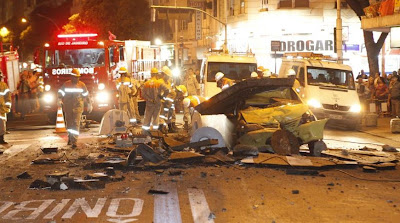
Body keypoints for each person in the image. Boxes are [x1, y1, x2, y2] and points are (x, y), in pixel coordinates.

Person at [58, 68, 90, 148]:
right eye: (75, 77)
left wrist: (89, 103)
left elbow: (86, 95)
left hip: (78, 108)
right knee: (69, 124)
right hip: (68, 107)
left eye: (78, 77)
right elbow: (60, 92)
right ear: (71, 77)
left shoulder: (82, 85)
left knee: (76, 124)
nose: (77, 78)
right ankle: (70, 137)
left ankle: (74, 141)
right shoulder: (66, 84)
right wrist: (59, 99)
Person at [142, 68, 168, 132]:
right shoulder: (159, 83)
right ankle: (155, 132)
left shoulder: (146, 83)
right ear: (156, 74)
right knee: (156, 118)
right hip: (157, 103)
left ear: (151, 74)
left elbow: (143, 94)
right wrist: (162, 96)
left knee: (147, 118)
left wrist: (150, 100)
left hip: (149, 104)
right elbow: (167, 90)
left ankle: (146, 132)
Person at [159, 66, 177, 133]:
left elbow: (171, 92)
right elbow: (160, 94)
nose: (169, 77)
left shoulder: (168, 83)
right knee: (161, 115)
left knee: (170, 115)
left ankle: (170, 127)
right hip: (162, 102)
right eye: (168, 76)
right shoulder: (160, 82)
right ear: (164, 75)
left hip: (168, 103)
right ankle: (160, 129)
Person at [0, 72, 11, 144]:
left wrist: (7, 105)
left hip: (1, 108)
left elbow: (7, 96)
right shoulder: (3, 85)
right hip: (2, 108)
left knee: (2, 125)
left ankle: (1, 138)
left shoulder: (3, 85)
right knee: (2, 124)